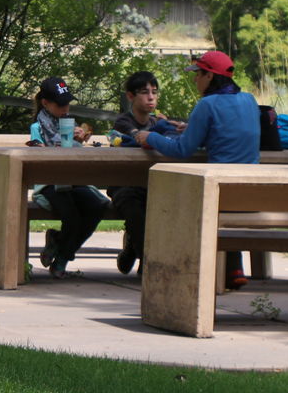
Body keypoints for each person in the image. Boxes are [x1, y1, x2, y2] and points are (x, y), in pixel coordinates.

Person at [132, 50, 260, 289]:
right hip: (248, 190)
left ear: (209, 76)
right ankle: (234, 267)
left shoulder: (207, 104)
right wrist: (193, 129)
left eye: (198, 74)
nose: (195, 80)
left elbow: (182, 150)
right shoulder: (249, 100)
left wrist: (150, 137)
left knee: (163, 200)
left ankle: (170, 266)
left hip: (219, 190)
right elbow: (229, 133)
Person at [27, 77, 111, 278]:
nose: (65, 108)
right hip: (49, 182)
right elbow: (39, 154)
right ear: (45, 103)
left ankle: (59, 244)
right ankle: (63, 259)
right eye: (60, 104)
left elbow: (73, 151)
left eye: (67, 103)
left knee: (98, 205)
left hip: (73, 178)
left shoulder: (66, 122)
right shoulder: (37, 127)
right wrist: (66, 141)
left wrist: (79, 140)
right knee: (72, 216)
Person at [107, 70, 184, 275]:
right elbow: (140, 138)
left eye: (154, 92)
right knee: (132, 203)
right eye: (144, 92)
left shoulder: (156, 123)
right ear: (131, 96)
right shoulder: (124, 122)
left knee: (168, 202)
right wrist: (163, 128)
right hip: (124, 184)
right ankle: (150, 264)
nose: (151, 97)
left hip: (151, 183)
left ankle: (136, 248)